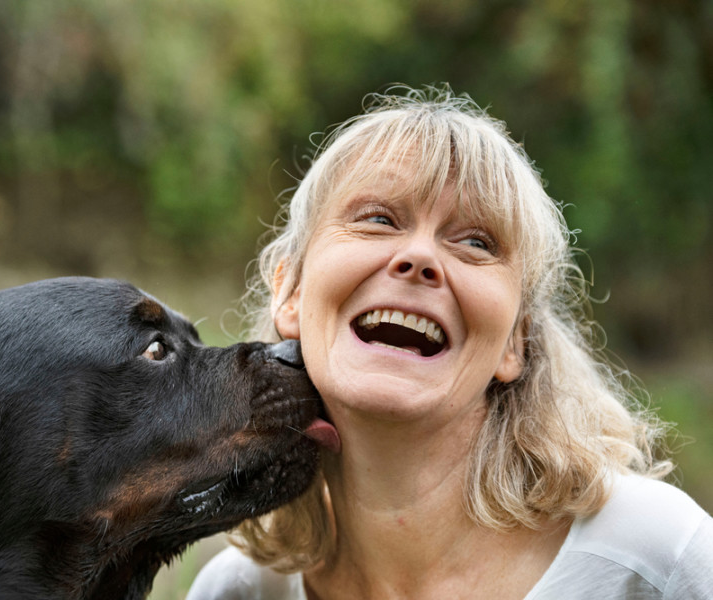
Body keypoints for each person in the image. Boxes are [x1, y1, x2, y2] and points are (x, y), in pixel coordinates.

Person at [186, 85, 713, 599]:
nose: (419, 257)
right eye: (378, 218)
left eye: (476, 242)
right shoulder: (240, 589)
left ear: (515, 342)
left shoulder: (657, 561)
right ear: (291, 292)